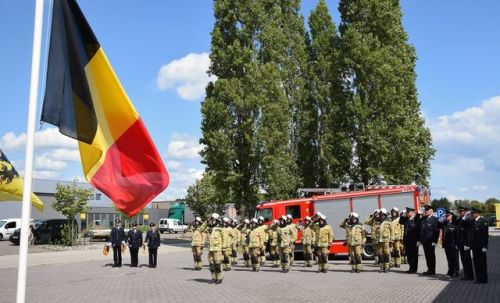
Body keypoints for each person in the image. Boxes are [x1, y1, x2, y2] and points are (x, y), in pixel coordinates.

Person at [399, 207, 421, 273]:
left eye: (408, 212)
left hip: (414, 241)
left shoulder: (416, 219)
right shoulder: (406, 219)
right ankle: (411, 268)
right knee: (409, 255)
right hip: (407, 241)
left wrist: (419, 241)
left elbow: (419, 231)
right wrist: (403, 214)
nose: (407, 214)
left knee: (414, 256)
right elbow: (400, 221)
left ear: (412, 212)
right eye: (407, 212)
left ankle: (414, 269)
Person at [470, 207, 489, 284]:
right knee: (476, 262)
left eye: (473, 213)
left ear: (477, 213)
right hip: (474, 246)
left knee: (482, 263)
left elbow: (485, 235)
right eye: (472, 213)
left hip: (481, 246)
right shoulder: (472, 221)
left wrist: (485, 246)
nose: (472, 214)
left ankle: (483, 279)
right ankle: (478, 278)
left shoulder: (483, 221)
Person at [439, 211, 460, 278]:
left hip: (453, 244)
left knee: (455, 259)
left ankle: (456, 272)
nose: (447, 217)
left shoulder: (455, 223)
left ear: (452, 216)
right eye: (446, 216)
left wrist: (457, 244)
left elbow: (457, 235)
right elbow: (438, 226)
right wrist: (441, 220)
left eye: (448, 216)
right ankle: (450, 271)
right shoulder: (445, 223)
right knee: (449, 258)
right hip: (446, 244)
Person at [420, 205, 439, 275]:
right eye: (425, 210)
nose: (426, 211)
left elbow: (436, 231)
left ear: (431, 211)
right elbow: (421, 229)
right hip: (425, 241)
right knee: (427, 255)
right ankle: (429, 269)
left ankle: (433, 270)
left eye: (427, 210)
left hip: (431, 241)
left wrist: (435, 241)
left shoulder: (435, 219)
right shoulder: (423, 218)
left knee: (431, 255)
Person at [456, 207, 474, 280]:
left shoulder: (468, 219)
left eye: (461, 211)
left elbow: (468, 233)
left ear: (465, 211)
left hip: (465, 243)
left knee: (467, 259)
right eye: (459, 211)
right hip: (460, 243)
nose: (460, 212)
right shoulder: (460, 219)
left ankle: (470, 275)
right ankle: (466, 274)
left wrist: (467, 244)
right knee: (463, 259)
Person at [377, 208, 393, 273]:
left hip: (386, 241)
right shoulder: (376, 222)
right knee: (380, 254)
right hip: (379, 241)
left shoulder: (388, 222)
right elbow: (368, 222)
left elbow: (392, 231)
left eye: (383, 215)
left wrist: (391, 240)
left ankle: (386, 267)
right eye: (381, 215)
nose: (382, 216)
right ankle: (381, 267)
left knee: (386, 254)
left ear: (385, 215)